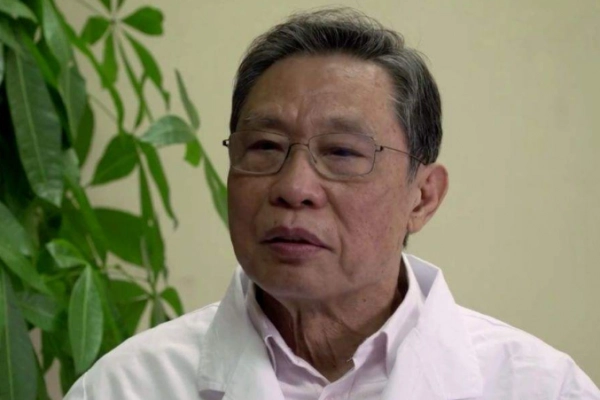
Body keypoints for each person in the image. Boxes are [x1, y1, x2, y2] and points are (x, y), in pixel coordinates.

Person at [65, 8, 600, 400]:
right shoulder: (125, 387)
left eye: (342, 152)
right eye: (265, 146)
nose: (294, 186)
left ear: (423, 197)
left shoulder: (539, 386)